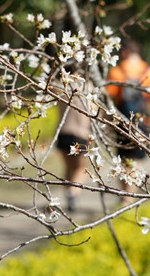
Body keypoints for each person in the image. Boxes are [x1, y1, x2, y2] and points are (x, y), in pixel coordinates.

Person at [106, 40, 150, 201]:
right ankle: (130, 195)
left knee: (123, 158)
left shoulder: (116, 71)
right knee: (137, 159)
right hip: (143, 120)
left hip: (122, 121)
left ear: (124, 52)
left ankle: (125, 194)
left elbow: (110, 96)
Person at [56, 65, 91, 212]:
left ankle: (68, 194)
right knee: (81, 168)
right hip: (80, 134)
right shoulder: (88, 87)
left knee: (69, 167)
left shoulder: (59, 86)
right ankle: (73, 193)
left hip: (63, 132)